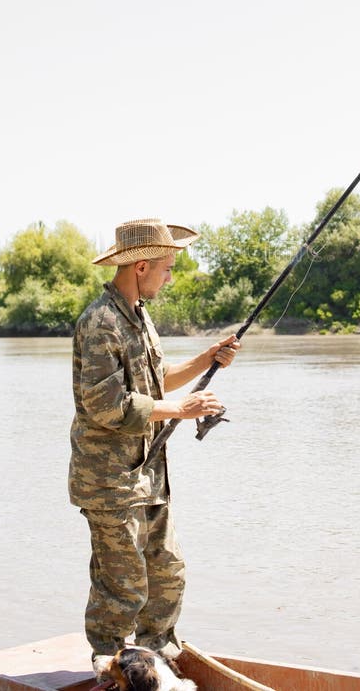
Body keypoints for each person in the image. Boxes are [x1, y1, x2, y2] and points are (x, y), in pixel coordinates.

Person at [69, 217, 239, 678]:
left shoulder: (140, 317)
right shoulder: (100, 322)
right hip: (109, 481)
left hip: (148, 475)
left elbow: (156, 384)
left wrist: (208, 359)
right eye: (166, 267)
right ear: (141, 266)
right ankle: (108, 669)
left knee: (168, 573)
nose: (170, 276)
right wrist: (181, 410)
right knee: (121, 588)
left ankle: (157, 658)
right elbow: (106, 406)